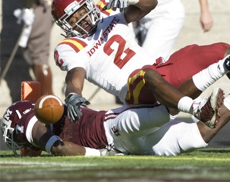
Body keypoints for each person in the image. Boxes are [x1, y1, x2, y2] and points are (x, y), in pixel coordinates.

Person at [51, 0, 230, 123]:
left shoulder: (106, 9)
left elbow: (151, 3)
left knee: (222, 51)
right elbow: (75, 75)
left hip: (160, 68)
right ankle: (197, 109)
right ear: (64, 26)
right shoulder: (69, 47)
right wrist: (73, 95)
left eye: (82, 12)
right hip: (133, 90)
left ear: (88, 4)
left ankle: (175, 105)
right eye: (73, 20)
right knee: (148, 75)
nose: (82, 20)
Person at [1, 89, 230, 157]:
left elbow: (61, 147)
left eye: (11, 133)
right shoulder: (43, 120)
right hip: (120, 144)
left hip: (111, 129)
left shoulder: (36, 129)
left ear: (20, 125)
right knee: (197, 138)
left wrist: (100, 155)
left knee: (163, 112)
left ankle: (198, 101)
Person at [112, 0, 213, 60]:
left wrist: (205, 10)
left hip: (167, 12)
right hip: (142, 16)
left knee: (145, 64)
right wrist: (117, 16)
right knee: (162, 65)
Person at [15, 0, 55, 95]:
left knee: (39, 53)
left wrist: (28, 6)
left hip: (39, 1)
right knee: (29, 51)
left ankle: (49, 102)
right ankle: (42, 97)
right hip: (36, 0)